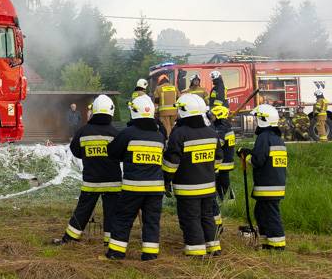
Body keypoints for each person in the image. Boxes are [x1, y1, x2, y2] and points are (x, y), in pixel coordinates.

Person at [55, 95, 122, 246]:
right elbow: (121, 154)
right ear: (111, 111)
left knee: (83, 210)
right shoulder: (116, 133)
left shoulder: (83, 131)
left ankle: (70, 238)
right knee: (111, 212)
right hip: (112, 182)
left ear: (94, 111)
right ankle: (110, 242)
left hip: (91, 181)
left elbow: (75, 150)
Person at [106, 94, 165, 260]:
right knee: (152, 221)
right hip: (155, 188)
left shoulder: (128, 133)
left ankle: (116, 253)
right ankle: (150, 255)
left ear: (134, 112)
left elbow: (113, 152)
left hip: (134, 187)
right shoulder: (159, 136)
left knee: (123, 219)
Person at [163, 94, 222, 257]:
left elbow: (171, 163)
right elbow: (218, 158)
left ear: (183, 111)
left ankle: (196, 250)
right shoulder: (211, 132)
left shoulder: (179, 133)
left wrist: (166, 180)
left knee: (191, 218)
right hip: (209, 186)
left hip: (187, 188)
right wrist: (209, 171)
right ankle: (213, 247)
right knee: (207, 217)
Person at [237, 104, 287, 250]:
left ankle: (277, 245)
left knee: (270, 215)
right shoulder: (277, 139)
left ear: (263, 120)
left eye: (257, 119)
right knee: (261, 212)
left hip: (268, 185)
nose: (255, 122)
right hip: (275, 183)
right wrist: (250, 152)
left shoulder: (263, 137)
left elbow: (257, 160)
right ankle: (268, 242)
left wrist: (246, 155)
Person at [211, 104, 235, 232]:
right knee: (222, 181)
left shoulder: (221, 128)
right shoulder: (225, 126)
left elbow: (218, 143)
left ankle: (229, 200)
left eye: (214, 115)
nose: (212, 117)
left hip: (223, 161)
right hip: (227, 160)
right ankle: (225, 199)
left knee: (223, 181)